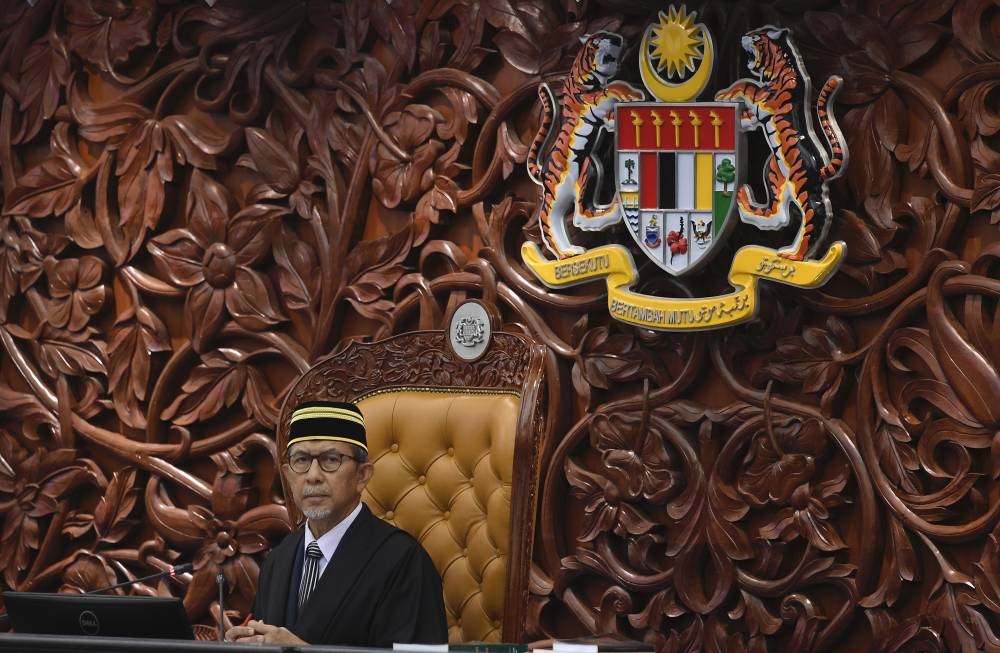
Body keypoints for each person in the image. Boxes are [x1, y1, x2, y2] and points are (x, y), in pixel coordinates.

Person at [225, 400, 448, 646]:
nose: (313, 476)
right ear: (288, 476)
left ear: (362, 476)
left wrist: (303, 652)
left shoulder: (404, 562)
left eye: (331, 459)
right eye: (301, 460)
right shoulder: (278, 559)